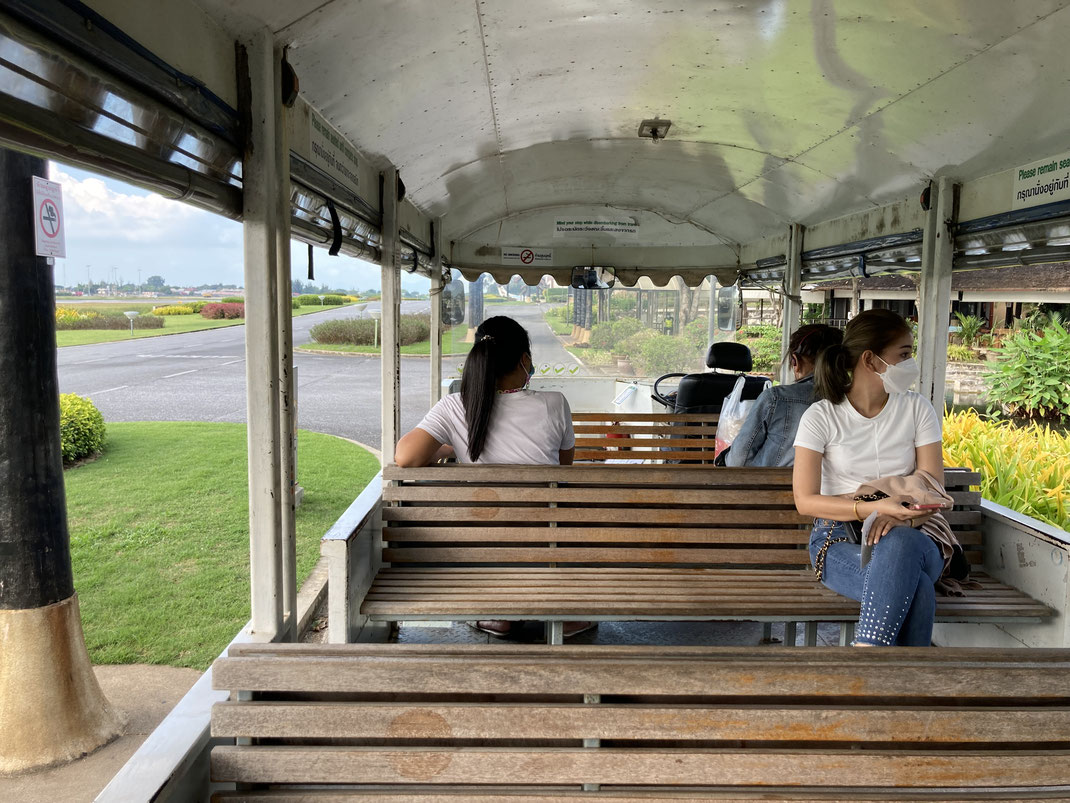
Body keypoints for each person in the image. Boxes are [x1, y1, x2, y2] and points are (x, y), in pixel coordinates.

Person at [394, 315, 591, 639]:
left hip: (485, 543)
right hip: (548, 542)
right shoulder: (554, 403)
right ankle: (562, 613)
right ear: (524, 359)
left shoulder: (455, 406)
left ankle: (501, 613)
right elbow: (563, 466)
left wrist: (450, 449)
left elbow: (405, 457)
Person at [791, 309, 946, 647]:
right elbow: (805, 501)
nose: (911, 363)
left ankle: (866, 660)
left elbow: (933, 484)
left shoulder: (918, 409)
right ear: (871, 360)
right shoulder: (822, 416)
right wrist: (876, 505)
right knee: (916, 587)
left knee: (901, 547)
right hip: (839, 539)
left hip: (914, 532)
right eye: (903, 354)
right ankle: (903, 690)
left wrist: (896, 515)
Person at [725, 324, 842, 467]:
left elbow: (737, 461)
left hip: (773, 487)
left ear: (795, 361)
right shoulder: (857, 400)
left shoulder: (775, 398)